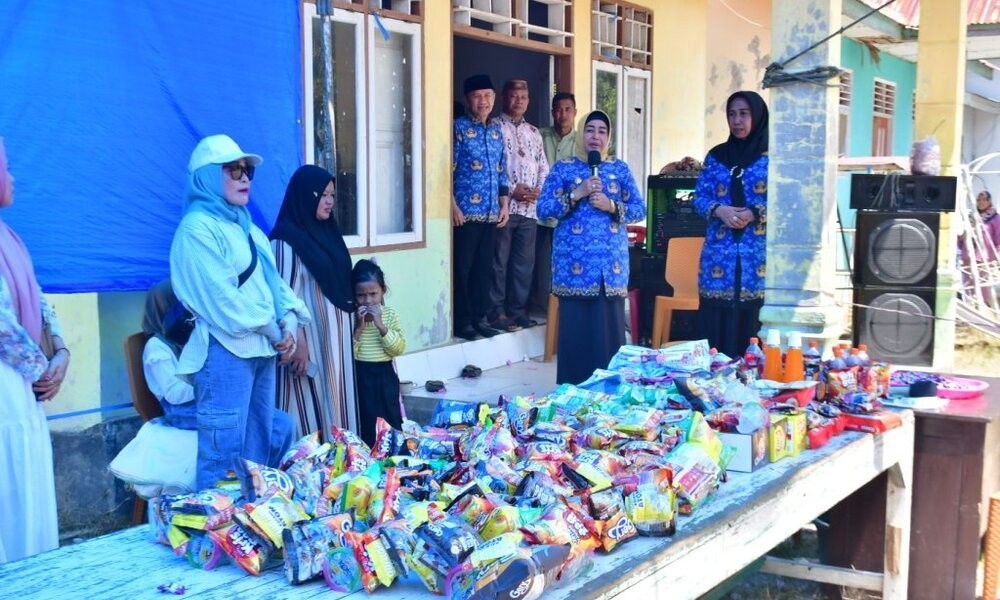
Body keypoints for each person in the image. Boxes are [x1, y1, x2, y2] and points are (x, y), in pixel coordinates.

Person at [169, 134, 308, 489]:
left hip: (261, 348)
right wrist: (274, 330)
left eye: (248, 171)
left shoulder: (245, 226)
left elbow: (275, 286)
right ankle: (215, 524)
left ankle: (249, 519)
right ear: (207, 176)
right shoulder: (196, 229)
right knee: (223, 457)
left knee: (256, 451)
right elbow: (223, 300)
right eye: (233, 170)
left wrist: (290, 323)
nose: (245, 177)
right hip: (224, 351)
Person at [0, 137, 70, 563]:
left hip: (22, 383)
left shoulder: (9, 238)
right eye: (5, 167)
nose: (12, 177)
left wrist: (61, 350)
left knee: (25, 482)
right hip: (7, 387)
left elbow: (38, 297)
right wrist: (42, 368)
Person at [537, 111, 646, 384]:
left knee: (607, 336)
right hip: (573, 269)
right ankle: (573, 394)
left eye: (601, 131)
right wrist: (577, 193)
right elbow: (543, 209)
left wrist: (612, 206)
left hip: (609, 270)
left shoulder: (619, 169)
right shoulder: (563, 168)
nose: (595, 136)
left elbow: (639, 209)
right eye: (589, 130)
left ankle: (609, 394)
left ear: (608, 137)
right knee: (576, 335)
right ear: (580, 134)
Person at [270, 165, 357, 442]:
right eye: (323, 195)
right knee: (308, 404)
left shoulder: (328, 234)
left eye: (332, 195)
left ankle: (341, 458)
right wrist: (299, 342)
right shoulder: (285, 241)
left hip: (335, 345)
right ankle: (307, 462)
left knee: (336, 400)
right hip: (311, 343)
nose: (329, 201)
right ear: (306, 196)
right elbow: (283, 297)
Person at [693, 91, 769, 358]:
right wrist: (719, 210)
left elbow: (785, 201)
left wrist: (754, 212)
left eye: (744, 114)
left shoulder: (773, 158)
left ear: (757, 116)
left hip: (756, 260)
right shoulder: (716, 157)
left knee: (752, 335)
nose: (737, 120)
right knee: (715, 332)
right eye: (732, 114)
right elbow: (699, 198)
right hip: (719, 258)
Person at [453, 73, 510, 341]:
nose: (483, 101)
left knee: (483, 270)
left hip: (490, 214)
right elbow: (447, 169)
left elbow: (501, 171)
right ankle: (463, 322)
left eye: (487, 95)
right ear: (467, 100)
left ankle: (480, 318)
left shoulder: (497, 132)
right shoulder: (458, 128)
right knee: (463, 270)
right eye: (477, 96)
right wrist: (452, 205)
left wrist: (504, 204)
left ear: (494, 98)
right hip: (465, 214)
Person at [489, 80, 549, 331]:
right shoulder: (493, 127)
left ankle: (517, 310)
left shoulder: (534, 132)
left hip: (529, 210)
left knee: (523, 265)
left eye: (523, 97)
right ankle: (496, 312)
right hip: (504, 208)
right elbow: (492, 166)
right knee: (499, 262)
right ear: (504, 98)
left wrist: (538, 191)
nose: (519, 101)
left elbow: (543, 166)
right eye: (514, 96)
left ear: (528, 100)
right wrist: (512, 190)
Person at [532, 92, 578, 319]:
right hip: (540, 212)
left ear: (575, 112)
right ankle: (540, 307)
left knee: (564, 261)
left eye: (567, 109)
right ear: (552, 112)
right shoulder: (539, 136)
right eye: (558, 109)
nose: (563, 114)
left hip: (568, 215)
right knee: (538, 262)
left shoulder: (581, 143)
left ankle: (562, 309)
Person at [351, 259, 405, 446]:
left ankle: (394, 452)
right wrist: (359, 328)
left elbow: (398, 348)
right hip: (361, 375)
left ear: (383, 291)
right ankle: (368, 453)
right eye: (361, 295)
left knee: (390, 416)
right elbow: (348, 355)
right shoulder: (351, 317)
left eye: (373, 294)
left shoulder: (390, 314)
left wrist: (381, 325)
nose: (367, 301)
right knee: (366, 418)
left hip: (385, 375)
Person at [141, 279, 196, 429]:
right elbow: (173, 394)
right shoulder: (156, 347)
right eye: (180, 305)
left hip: (199, 403)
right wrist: (208, 382)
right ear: (164, 309)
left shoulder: (185, 337)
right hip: (182, 413)